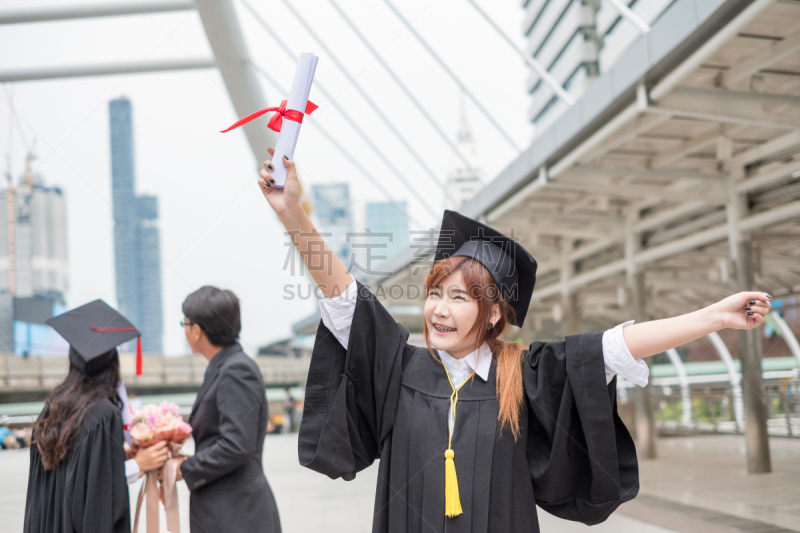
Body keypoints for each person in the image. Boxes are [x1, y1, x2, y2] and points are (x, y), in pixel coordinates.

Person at [258, 152, 772, 533]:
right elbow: (345, 296)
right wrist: (292, 214)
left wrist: (711, 317)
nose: (439, 308)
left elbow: (617, 345)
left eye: (459, 297)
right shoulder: (397, 367)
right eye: (435, 292)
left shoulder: (527, 374)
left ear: (496, 312)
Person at [24, 299, 150, 533]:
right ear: (113, 363)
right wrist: (139, 465)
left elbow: (72, 471)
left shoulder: (52, 407)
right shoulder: (104, 415)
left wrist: (116, 455)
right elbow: (100, 500)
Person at [178, 286, 281, 533]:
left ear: (197, 330)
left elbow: (237, 444)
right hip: (226, 511)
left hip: (238, 514)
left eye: (185, 323)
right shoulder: (222, 367)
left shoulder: (236, 370)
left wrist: (183, 468)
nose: (184, 330)